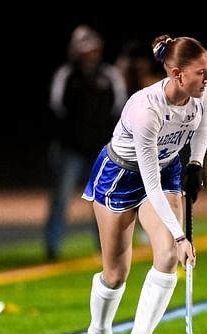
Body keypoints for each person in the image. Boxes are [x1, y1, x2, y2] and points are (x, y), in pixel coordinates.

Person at [80, 34, 207, 334]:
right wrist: (183, 236)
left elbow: (202, 128)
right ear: (177, 74)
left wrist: (196, 164)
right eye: (201, 72)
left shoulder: (201, 94)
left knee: (166, 255)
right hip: (121, 176)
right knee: (115, 274)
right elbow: (149, 186)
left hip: (167, 168)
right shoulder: (145, 110)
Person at [45, 25, 127, 261]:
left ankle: (104, 246)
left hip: (100, 150)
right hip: (70, 149)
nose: (90, 53)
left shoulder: (109, 75)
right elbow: (55, 109)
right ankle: (52, 246)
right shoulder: (66, 75)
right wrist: (68, 137)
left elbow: (120, 109)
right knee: (60, 199)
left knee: (103, 200)